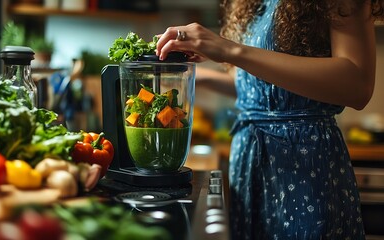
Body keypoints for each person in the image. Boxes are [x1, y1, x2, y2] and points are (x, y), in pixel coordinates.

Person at [156, 0, 384, 239]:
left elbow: (357, 85)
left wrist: (228, 49)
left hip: (304, 168)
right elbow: (265, 91)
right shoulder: (253, 3)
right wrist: (200, 78)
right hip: (251, 166)